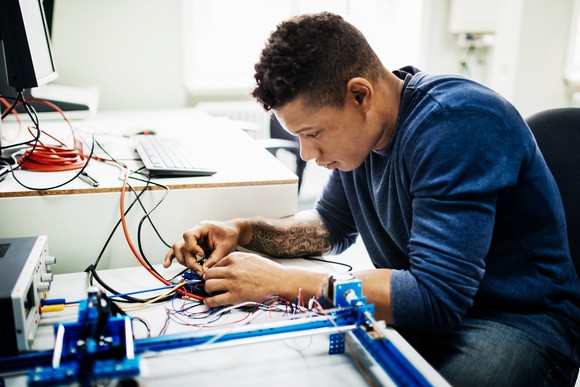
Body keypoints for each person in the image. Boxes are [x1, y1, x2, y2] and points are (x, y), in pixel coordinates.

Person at [165, 12, 580, 386]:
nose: (307, 154)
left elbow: (435, 297)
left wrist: (282, 283)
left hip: (517, 324)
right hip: (436, 316)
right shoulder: (364, 141)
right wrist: (243, 231)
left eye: (312, 133)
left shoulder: (455, 125)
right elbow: (327, 227)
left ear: (360, 95)